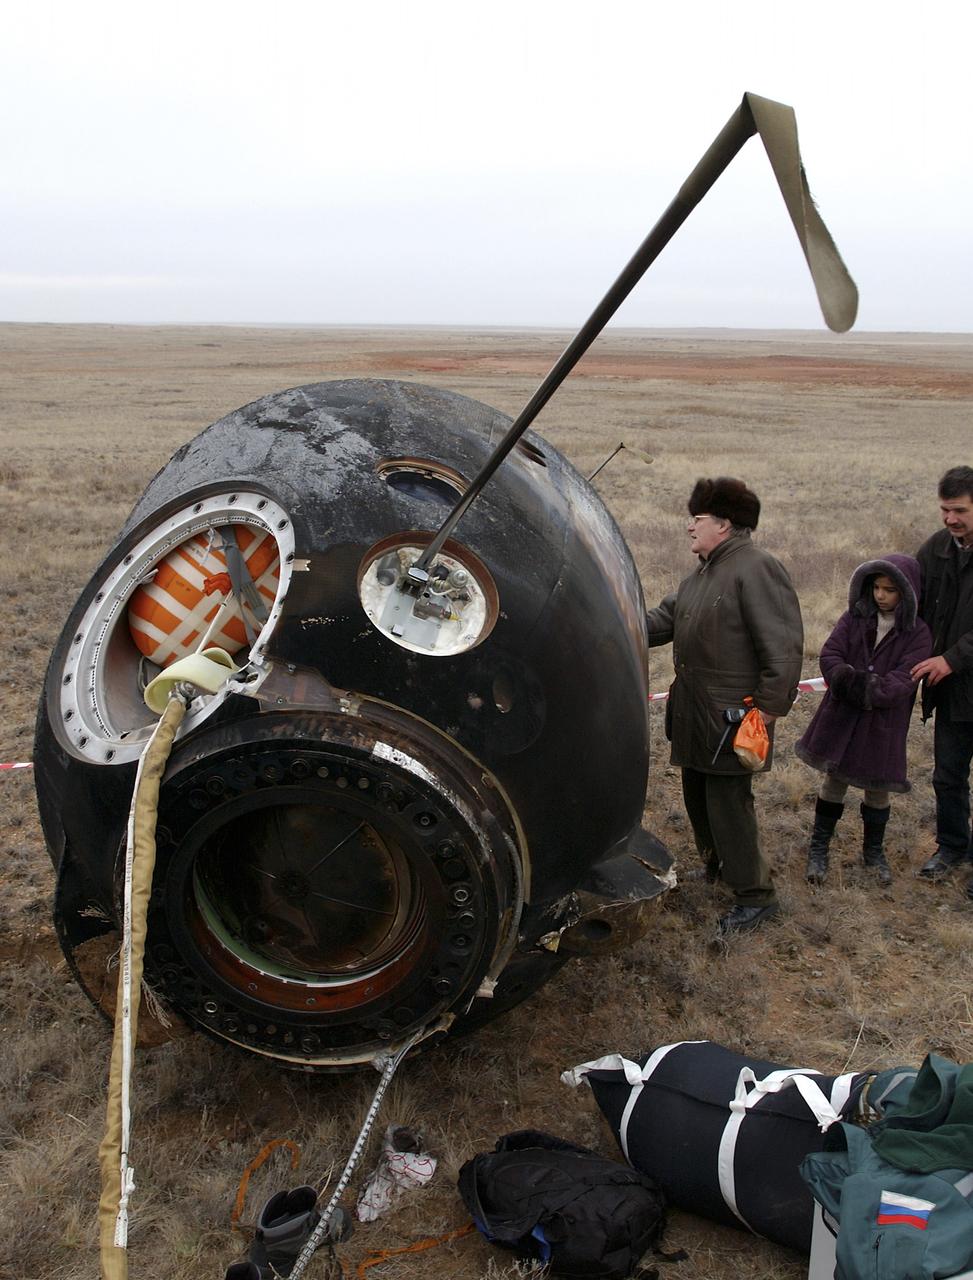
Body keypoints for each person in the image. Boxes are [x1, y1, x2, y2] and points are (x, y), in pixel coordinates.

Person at [646, 477, 803, 933]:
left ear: (725, 524)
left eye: (696, 519)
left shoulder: (757, 569)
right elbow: (665, 619)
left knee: (729, 803)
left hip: (736, 716)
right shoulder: (701, 572)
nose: (688, 527)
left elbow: (784, 646)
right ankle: (716, 867)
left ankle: (756, 895)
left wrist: (768, 712)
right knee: (697, 795)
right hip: (696, 711)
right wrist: (618, 621)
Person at [795, 556, 932, 886]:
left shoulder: (918, 633)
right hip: (842, 715)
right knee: (834, 780)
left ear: (907, 593)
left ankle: (873, 853)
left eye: (890, 589)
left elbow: (905, 679)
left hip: (882, 724)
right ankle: (819, 849)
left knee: (877, 787)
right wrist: (851, 682)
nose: (881, 596)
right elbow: (830, 655)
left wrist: (870, 690)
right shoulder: (854, 618)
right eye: (876, 587)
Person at [912, 466, 973, 898]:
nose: (950, 519)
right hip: (951, 694)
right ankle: (952, 848)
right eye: (945, 509)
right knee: (947, 776)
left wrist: (951, 658)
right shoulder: (936, 549)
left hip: (955, 672)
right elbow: (908, 598)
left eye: (960, 510)